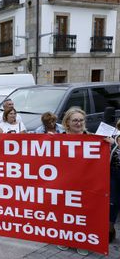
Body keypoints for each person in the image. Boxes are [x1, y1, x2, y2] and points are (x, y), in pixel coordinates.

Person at [56, 107, 113, 255]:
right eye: (75, 120)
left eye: (81, 120)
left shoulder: (94, 138)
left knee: (84, 213)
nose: (79, 123)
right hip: (64, 184)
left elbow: (105, 158)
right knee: (65, 213)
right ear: (67, 122)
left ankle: (83, 241)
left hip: (86, 184)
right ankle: (65, 239)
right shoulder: (57, 139)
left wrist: (109, 144)